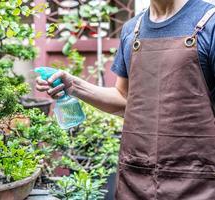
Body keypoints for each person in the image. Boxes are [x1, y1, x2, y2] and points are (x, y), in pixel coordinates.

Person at [35, 0, 215, 199]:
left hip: (199, 183)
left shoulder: (210, 23)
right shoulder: (132, 30)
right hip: (136, 180)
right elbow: (124, 99)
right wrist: (73, 86)